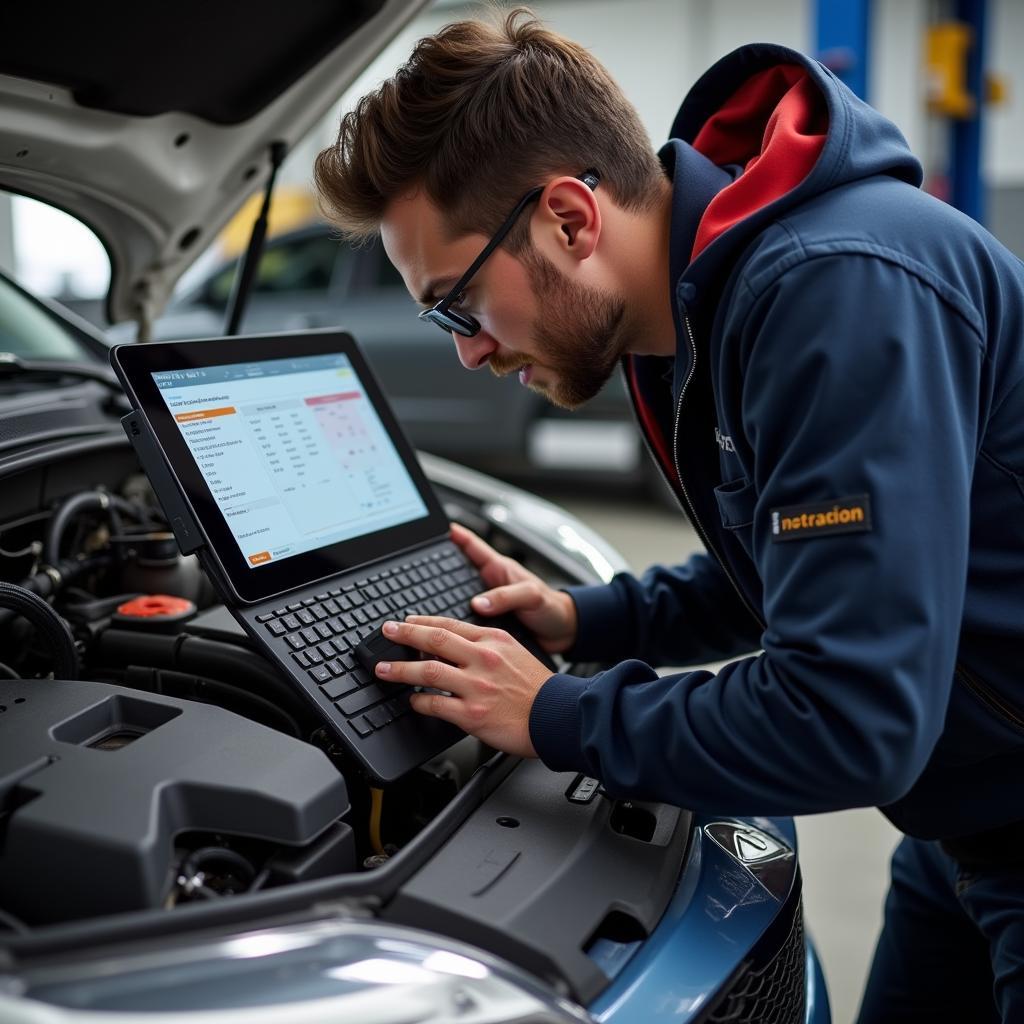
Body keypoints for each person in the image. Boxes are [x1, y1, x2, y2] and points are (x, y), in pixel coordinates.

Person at [314, 9, 1024, 1020]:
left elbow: (849, 712)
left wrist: (554, 713)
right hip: (966, 819)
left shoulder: (832, 292)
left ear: (568, 217)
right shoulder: (702, 304)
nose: (465, 352)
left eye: (457, 306)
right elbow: (799, 564)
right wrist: (586, 619)